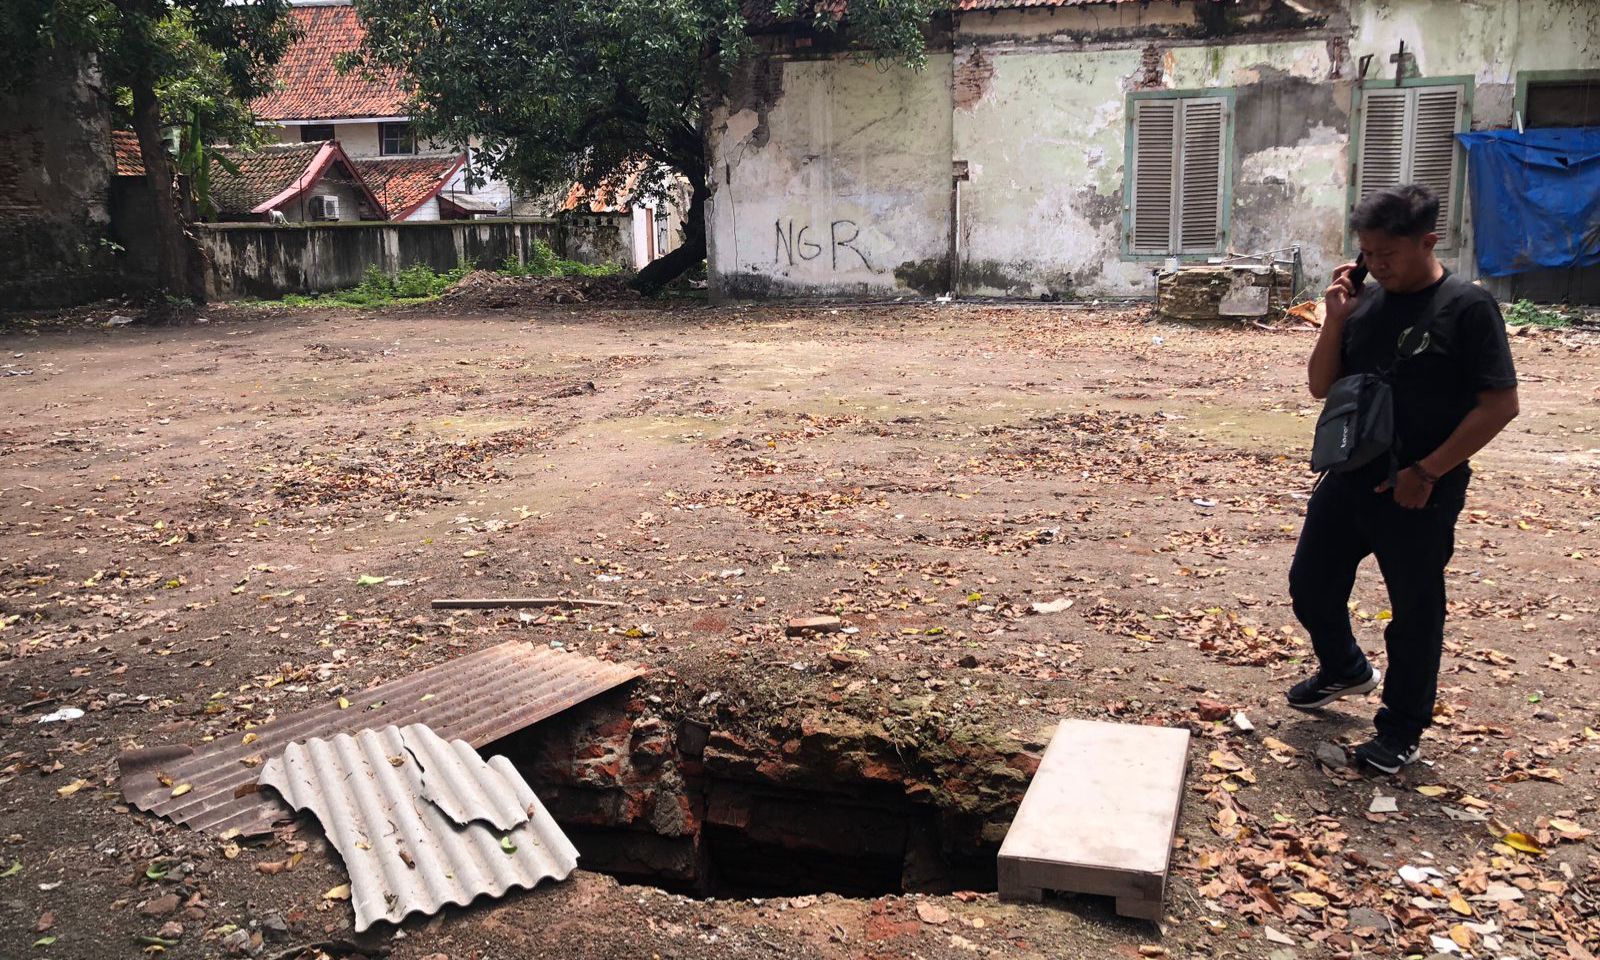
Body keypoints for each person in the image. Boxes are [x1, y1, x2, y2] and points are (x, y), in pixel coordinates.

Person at [1286, 183, 1520, 774]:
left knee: (1414, 610)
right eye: (1367, 253)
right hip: (1350, 474)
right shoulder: (1363, 302)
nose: (1377, 265)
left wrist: (1429, 470)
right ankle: (1344, 669)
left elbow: (1499, 405)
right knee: (1310, 585)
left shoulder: (1467, 307)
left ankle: (1401, 728)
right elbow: (1321, 387)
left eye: (1389, 254)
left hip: (1420, 487)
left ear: (1427, 242)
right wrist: (1334, 320)